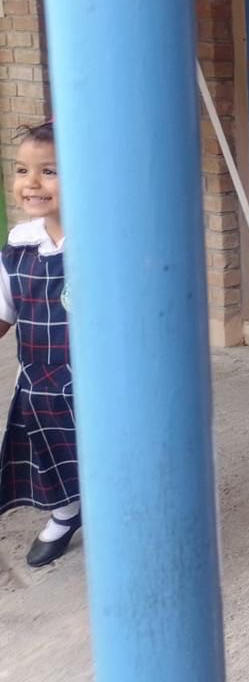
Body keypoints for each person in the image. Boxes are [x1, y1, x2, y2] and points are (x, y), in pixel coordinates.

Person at [0, 120, 81, 567]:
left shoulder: (101, 244)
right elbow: (4, 312)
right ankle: (66, 512)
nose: (31, 183)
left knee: (105, 452)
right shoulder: (18, 248)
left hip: (96, 381)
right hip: (39, 382)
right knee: (49, 451)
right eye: (21, 170)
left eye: (49, 171)